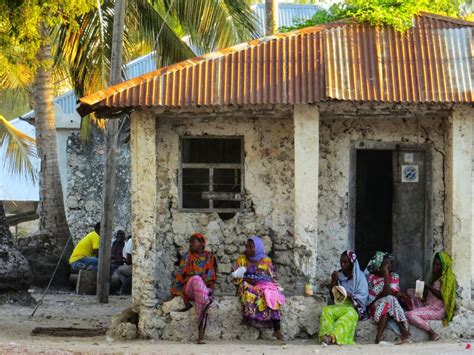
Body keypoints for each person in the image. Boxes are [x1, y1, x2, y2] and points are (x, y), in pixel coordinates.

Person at [233, 236, 286, 341]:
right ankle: (248, 317)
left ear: (257, 247)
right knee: (248, 290)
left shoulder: (266, 260)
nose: (248, 249)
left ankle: (277, 329)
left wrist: (265, 282)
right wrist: (247, 279)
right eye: (247, 246)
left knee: (273, 295)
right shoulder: (241, 260)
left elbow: (272, 277)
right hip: (247, 285)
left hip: (263, 285)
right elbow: (236, 278)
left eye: (251, 247)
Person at [170, 233, 216, 344]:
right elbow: (180, 276)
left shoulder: (209, 257)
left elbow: (211, 277)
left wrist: (202, 284)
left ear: (201, 243)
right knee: (196, 279)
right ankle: (201, 331)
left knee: (202, 294)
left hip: (204, 289)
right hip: (190, 288)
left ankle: (201, 334)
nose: (191, 245)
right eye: (190, 242)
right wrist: (175, 292)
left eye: (193, 242)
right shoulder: (187, 257)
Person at [319, 250, 369, 345]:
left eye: (345, 262)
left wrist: (350, 295)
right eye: (341, 262)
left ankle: (332, 337)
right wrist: (333, 281)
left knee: (350, 315)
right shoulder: (339, 275)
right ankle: (325, 335)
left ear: (352, 263)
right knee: (326, 310)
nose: (342, 264)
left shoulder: (360, 278)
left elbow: (363, 297)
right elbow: (333, 297)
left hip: (353, 308)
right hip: (341, 305)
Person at [405, 252, 457, 341]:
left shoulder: (449, 279)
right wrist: (421, 286)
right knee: (410, 291)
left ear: (444, 266)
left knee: (410, 314)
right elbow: (427, 296)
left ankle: (432, 333)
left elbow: (443, 296)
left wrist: (428, 286)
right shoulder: (434, 278)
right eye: (434, 264)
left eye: (438, 265)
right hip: (429, 305)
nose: (435, 267)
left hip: (438, 310)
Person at [366, 251, 411, 344]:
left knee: (389, 302)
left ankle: (378, 338)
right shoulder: (371, 278)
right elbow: (386, 292)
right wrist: (386, 274)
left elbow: (390, 293)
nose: (389, 266)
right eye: (386, 264)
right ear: (379, 266)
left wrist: (387, 275)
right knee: (390, 299)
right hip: (375, 308)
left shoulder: (394, 276)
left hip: (389, 307)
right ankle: (403, 330)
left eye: (390, 263)